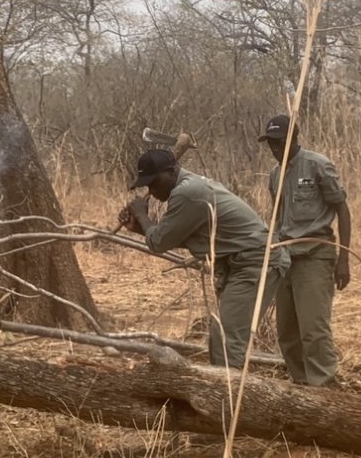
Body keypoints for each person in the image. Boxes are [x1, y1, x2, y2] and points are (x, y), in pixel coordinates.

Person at [118, 149, 289, 368]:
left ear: (171, 171)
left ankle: (231, 396)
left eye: (154, 182)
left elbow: (158, 243)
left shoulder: (187, 193)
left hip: (256, 262)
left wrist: (142, 216)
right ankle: (224, 391)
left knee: (227, 337)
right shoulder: (189, 188)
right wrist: (140, 228)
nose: (151, 190)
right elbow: (171, 238)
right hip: (242, 263)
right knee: (221, 335)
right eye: (147, 186)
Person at [259, 115, 351, 387]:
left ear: (293, 139)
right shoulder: (274, 176)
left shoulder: (317, 166)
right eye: (270, 144)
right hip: (284, 260)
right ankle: (301, 388)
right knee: (287, 332)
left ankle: (323, 388)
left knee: (313, 330)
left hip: (314, 257)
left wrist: (343, 259)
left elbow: (342, 210)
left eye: (279, 143)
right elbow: (278, 219)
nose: (274, 149)